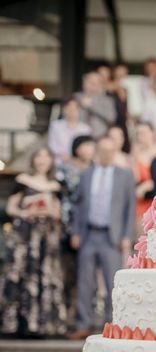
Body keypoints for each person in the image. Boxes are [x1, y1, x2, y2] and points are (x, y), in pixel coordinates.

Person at [69, 136, 136, 339]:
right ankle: (84, 323)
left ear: (114, 152)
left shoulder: (124, 175)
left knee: (113, 282)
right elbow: (78, 206)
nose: (106, 154)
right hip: (89, 233)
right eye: (103, 150)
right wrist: (76, 232)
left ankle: (113, 323)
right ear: (97, 152)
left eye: (110, 150)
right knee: (85, 281)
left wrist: (127, 235)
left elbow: (129, 207)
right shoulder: (87, 174)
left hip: (112, 236)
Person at [0, 148, 67, 337]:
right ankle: (15, 324)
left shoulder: (56, 186)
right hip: (25, 235)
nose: (42, 161)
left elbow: (59, 212)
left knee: (44, 276)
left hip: (47, 236)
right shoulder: (22, 181)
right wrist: (25, 213)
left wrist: (49, 212)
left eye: (46, 157)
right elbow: (11, 207)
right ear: (33, 160)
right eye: (39, 156)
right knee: (20, 273)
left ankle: (41, 325)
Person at [57, 136, 96, 322]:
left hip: (91, 224)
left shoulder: (97, 168)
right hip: (69, 222)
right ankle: (66, 314)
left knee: (86, 272)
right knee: (68, 268)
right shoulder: (66, 168)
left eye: (91, 145)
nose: (88, 149)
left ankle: (80, 313)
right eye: (85, 145)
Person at [130, 122, 156, 221]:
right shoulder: (136, 155)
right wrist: (134, 158)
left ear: (153, 133)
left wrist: (148, 184)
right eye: (138, 134)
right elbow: (135, 179)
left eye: (144, 133)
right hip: (142, 203)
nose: (140, 137)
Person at [48, 98, 92, 164]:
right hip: (59, 161)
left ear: (79, 110)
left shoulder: (85, 129)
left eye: (74, 109)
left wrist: (74, 158)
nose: (72, 112)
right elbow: (52, 145)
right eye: (69, 109)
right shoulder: (56, 126)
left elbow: (87, 147)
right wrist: (63, 155)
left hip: (79, 162)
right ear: (64, 110)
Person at [74, 71, 117, 138]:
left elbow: (111, 118)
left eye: (96, 82)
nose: (93, 84)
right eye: (90, 82)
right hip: (78, 135)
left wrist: (91, 106)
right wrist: (81, 106)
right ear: (84, 83)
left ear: (101, 84)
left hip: (100, 136)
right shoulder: (76, 97)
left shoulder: (107, 100)